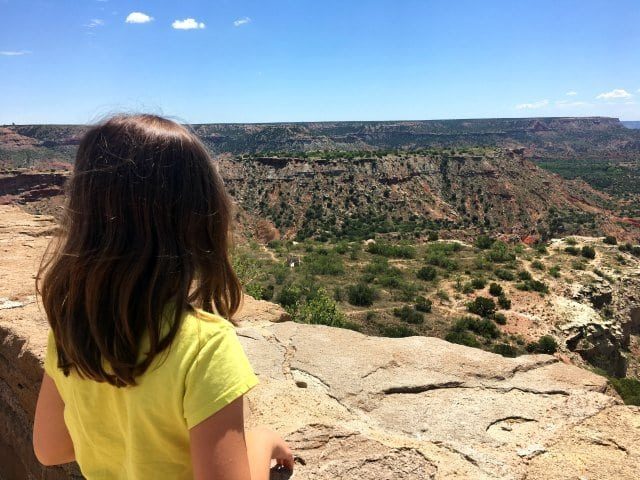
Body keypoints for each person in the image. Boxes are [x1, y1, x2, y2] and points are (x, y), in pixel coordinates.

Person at [32, 114, 294, 479]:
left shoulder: (72, 327)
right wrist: (262, 440)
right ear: (199, 222)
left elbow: (50, 448)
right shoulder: (205, 346)